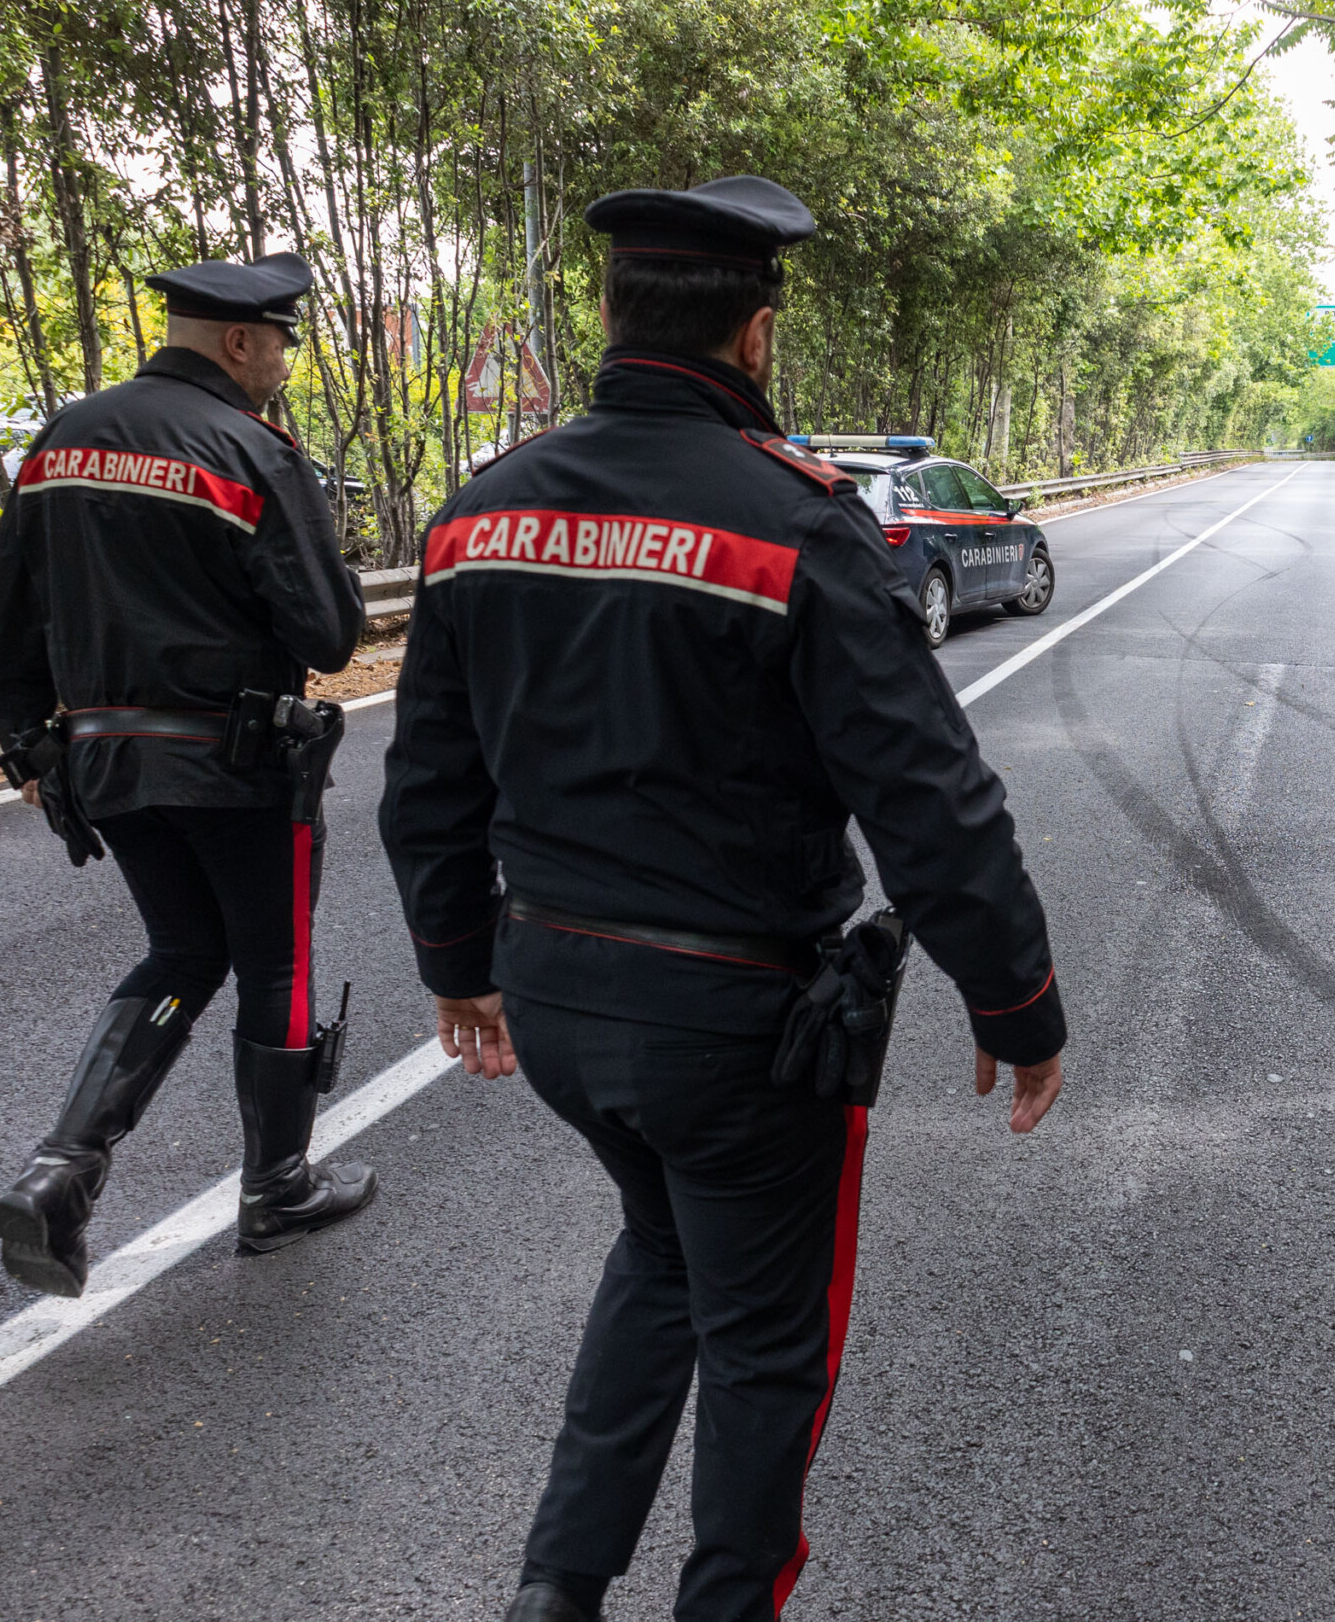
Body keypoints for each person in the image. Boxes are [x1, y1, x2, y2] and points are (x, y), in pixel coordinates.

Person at [377, 175, 1067, 1622]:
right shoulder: (794, 523)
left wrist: (456, 963)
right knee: (765, 1340)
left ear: (614, 320)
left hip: (557, 993)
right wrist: (1012, 994)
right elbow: (927, 792)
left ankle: (555, 1588)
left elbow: (429, 774)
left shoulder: (480, 513)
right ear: (754, 338)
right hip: (738, 1025)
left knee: (660, 1254)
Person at [0, 252, 378, 1299]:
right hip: (238, 762)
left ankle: (60, 1170)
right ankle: (277, 1185)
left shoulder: (62, 438)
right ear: (241, 340)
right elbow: (328, 633)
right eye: (281, 342)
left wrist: (27, 746)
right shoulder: (251, 450)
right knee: (275, 962)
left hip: (103, 756)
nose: (283, 362)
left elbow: (4, 611)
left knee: (181, 951)